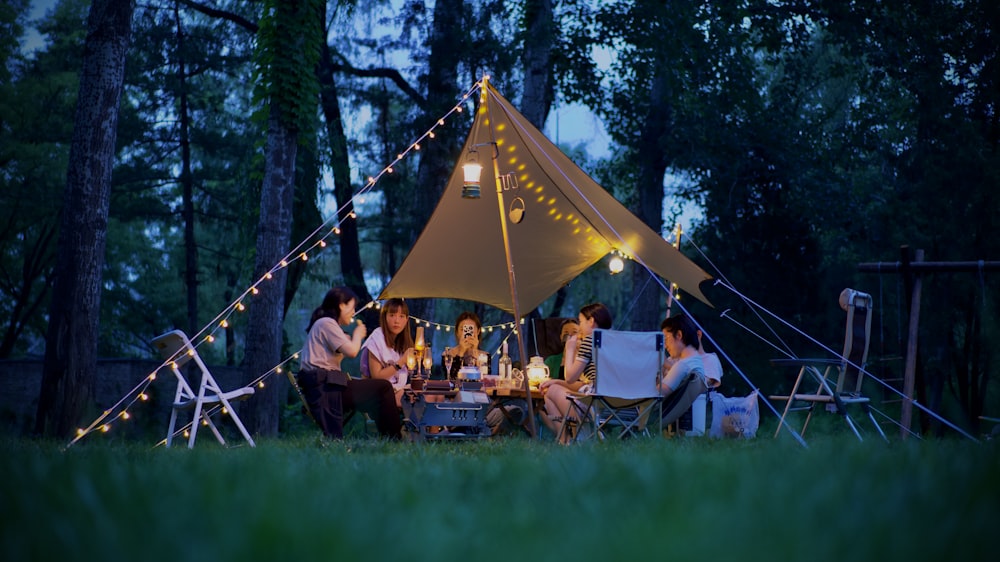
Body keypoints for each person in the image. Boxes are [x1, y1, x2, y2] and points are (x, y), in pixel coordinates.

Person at [298, 286, 401, 439]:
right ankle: (394, 439)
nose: (353, 313)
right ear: (341, 305)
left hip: (328, 385)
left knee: (379, 392)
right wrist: (357, 335)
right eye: (352, 308)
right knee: (384, 387)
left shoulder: (328, 325)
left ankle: (388, 437)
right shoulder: (326, 323)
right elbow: (352, 352)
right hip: (325, 389)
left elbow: (337, 353)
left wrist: (347, 339)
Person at [539, 303, 613, 442]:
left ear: (591, 321)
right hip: (624, 403)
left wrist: (571, 348)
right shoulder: (619, 341)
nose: (580, 327)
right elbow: (585, 384)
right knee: (555, 385)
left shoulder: (591, 339)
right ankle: (576, 437)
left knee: (550, 390)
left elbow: (570, 378)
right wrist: (556, 380)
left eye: (580, 321)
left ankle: (565, 440)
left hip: (596, 402)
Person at [658, 314, 713, 429]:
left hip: (652, 416)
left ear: (679, 335)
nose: (666, 345)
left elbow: (657, 394)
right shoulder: (696, 363)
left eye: (667, 339)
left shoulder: (683, 366)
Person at [361, 298, 417, 408]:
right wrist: (401, 362)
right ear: (384, 317)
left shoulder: (402, 342)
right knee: (423, 402)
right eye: (392, 315)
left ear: (406, 320)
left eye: (401, 316)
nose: (397, 321)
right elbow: (377, 377)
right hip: (377, 394)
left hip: (398, 390)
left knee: (434, 397)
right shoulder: (376, 339)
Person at [441, 311, 487, 379]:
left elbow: (485, 380)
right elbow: (451, 379)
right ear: (457, 332)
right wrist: (461, 352)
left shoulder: (484, 356)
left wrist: (475, 351)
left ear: (478, 331)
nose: (467, 333)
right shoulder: (448, 354)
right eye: (463, 329)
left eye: (471, 329)